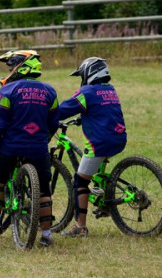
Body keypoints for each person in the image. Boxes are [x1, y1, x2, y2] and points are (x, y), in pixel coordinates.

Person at [0, 49, 59, 247]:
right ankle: (47, 234)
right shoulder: (50, 91)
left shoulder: (7, 91)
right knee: (44, 190)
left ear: (20, 66)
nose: (9, 70)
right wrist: (43, 138)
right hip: (38, 149)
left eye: (10, 66)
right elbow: (53, 123)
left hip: (11, 147)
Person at [59, 57, 127, 238]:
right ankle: (104, 199)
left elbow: (64, 110)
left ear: (90, 73)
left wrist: (46, 114)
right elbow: (101, 110)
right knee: (96, 171)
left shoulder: (86, 92)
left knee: (80, 182)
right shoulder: (110, 90)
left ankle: (80, 227)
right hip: (119, 139)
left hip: (99, 143)